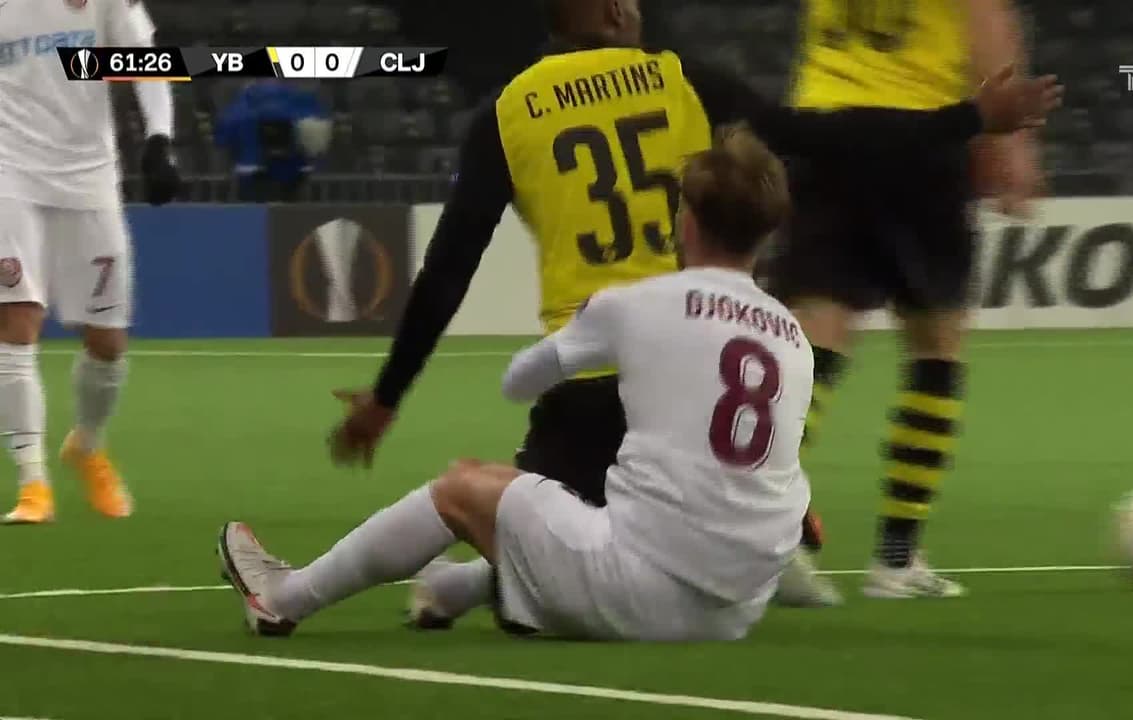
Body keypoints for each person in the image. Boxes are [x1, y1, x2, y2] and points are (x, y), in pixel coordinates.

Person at [327, 0, 1059, 613]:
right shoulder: (682, 82)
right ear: (617, 13)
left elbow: (448, 268)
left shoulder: (508, 111)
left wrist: (386, 399)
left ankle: (405, 580)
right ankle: (832, 536)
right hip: (686, 392)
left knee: (557, 526)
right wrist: (969, 118)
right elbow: (825, 136)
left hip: (582, 395)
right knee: (631, 557)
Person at [219, 125, 820, 640]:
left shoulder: (639, 304)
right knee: (556, 497)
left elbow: (519, 382)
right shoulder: (792, 337)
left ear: (686, 221)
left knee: (462, 489)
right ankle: (451, 590)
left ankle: (283, 598)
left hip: (640, 594)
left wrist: (593, 329)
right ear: (766, 234)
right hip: (736, 611)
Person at [762, 0, 1056, 597]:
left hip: (824, 125)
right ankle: (896, 561)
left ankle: (758, 533)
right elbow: (985, 14)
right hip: (922, 126)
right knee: (935, 347)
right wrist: (1011, 143)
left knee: (810, 345)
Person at [0, 0, 181, 524]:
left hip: (89, 178)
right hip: (11, 175)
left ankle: (87, 444)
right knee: (16, 321)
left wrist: (160, 139)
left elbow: (146, 59)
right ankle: (32, 484)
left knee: (107, 341)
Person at [214, 79, 329, 202]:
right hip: (294, 171)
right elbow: (318, 136)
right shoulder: (301, 100)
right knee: (293, 207)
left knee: (255, 206)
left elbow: (223, 141)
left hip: (250, 170)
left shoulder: (240, 106)